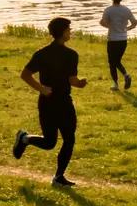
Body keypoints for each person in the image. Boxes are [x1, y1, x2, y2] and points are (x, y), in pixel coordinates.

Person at [12, 17, 87, 186]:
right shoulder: (44, 54)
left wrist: (79, 83)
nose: (71, 32)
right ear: (62, 32)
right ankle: (24, 139)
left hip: (65, 102)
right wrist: (41, 88)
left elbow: (72, 80)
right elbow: (25, 74)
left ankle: (59, 177)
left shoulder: (70, 55)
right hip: (48, 102)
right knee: (49, 142)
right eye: (69, 29)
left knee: (69, 139)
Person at [100, 0, 137, 91]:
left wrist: (108, 26)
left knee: (112, 62)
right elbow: (135, 22)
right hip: (123, 39)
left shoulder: (108, 10)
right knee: (117, 61)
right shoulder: (126, 10)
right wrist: (128, 29)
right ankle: (125, 76)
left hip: (112, 39)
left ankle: (117, 83)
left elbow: (102, 22)